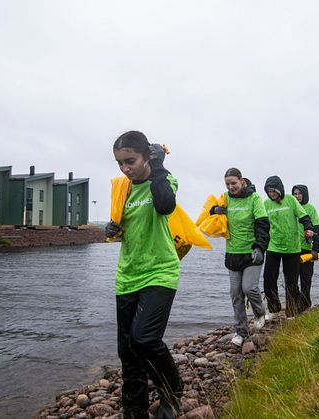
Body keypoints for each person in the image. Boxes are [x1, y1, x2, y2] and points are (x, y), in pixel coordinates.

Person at [104, 131, 183, 419]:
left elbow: (165, 206)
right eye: (119, 163)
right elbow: (122, 223)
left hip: (160, 271)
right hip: (127, 275)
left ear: (146, 157)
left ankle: (172, 391)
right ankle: (134, 411)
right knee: (127, 351)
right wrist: (112, 229)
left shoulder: (163, 179)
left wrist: (158, 167)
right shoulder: (122, 189)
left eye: (130, 161)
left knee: (144, 340)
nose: (125, 169)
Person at [210, 168, 269, 347]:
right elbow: (208, 213)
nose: (230, 187)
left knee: (249, 288)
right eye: (227, 184)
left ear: (242, 181)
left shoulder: (254, 199)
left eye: (233, 183)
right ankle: (241, 331)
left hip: (252, 252)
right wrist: (215, 210)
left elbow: (263, 224)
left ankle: (259, 312)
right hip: (233, 253)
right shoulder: (225, 198)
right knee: (235, 294)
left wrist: (260, 247)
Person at [262, 176, 314, 319]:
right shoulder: (266, 204)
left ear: (280, 189)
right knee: (268, 279)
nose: (271, 193)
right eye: (268, 191)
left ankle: (291, 311)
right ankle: (273, 309)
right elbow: (262, 222)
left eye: (273, 191)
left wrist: (308, 227)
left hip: (292, 248)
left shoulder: (291, 200)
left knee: (291, 282)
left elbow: (304, 217)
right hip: (273, 247)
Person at [292, 184, 319, 311]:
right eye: (295, 193)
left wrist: (316, 249)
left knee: (306, 279)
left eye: (299, 193)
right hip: (292, 248)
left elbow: (317, 229)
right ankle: (299, 300)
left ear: (304, 194)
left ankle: (305, 303)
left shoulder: (310, 209)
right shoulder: (291, 207)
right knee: (292, 279)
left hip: (307, 249)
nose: (297, 196)